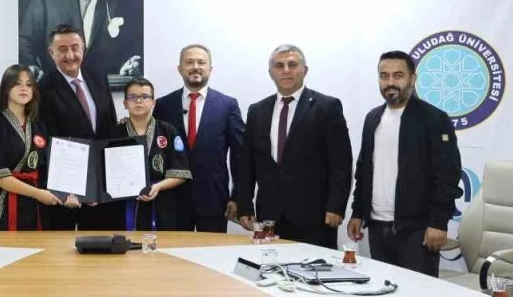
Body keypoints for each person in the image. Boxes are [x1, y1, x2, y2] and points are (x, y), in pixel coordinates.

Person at [348, 51, 462, 277]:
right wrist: (358, 213)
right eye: (384, 76)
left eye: (398, 75)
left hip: (418, 231)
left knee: (418, 296)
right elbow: (364, 172)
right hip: (377, 227)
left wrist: (439, 223)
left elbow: (447, 176)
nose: (390, 82)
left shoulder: (434, 119)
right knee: (382, 290)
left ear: (413, 78)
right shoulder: (372, 118)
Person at [234, 44, 353, 249]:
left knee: (315, 268)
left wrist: (336, 207)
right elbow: (247, 164)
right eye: (279, 66)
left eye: (292, 64)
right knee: (270, 267)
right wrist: (244, 206)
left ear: (304, 70)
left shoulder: (327, 107)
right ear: (271, 73)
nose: (286, 70)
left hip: (315, 217)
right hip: (269, 216)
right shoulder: (257, 110)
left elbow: (341, 164)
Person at [153, 43, 244, 232]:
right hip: (173, 199)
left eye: (201, 62)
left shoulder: (227, 105)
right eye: (189, 62)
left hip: (214, 198)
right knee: (174, 250)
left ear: (210, 68)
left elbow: (239, 155)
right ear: (180, 69)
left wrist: (237, 197)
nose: (195, 67)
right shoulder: (162, 105)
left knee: (211, 250)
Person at [37, 24, 118, 230]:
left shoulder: (98, 77)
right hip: (66, 193)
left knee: (100, 245)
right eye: (62, 49)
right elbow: (46, 144)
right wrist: (65, 190)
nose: (70, 55)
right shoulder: (42, 89)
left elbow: (109, 130)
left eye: (75, 48)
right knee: (62, 247)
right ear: (51, 53)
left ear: (83, 49)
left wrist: (105, 184)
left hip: (101, 190)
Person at [0, 64, 63, 231]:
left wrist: (68, 193)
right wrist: (38, 194)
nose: (24, 88)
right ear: (6, 88)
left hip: (37, 206)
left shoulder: (38, 124)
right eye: (17, 83)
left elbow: (49, 167)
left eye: (29, 84)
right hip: (5, 204)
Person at [112, 77, 190, 231]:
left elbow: (181, 172)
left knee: (160, 244)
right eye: (132, 97)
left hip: (161, 203)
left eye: (144, 97)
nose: (138, 101)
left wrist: (158, 186)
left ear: (153, 103)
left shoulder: (168, 131)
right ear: (125, 103)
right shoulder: (114, 133)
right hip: (121, 205)